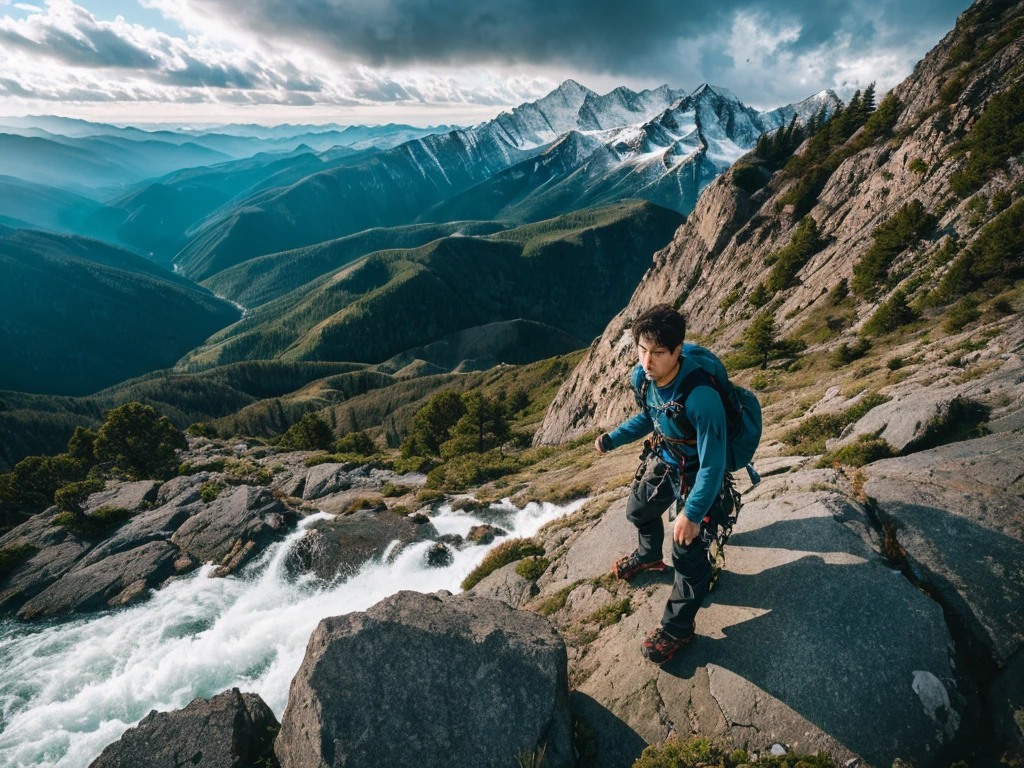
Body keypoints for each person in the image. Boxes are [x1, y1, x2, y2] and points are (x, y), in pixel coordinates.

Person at [594, 304, 727, 664]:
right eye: (641, 350)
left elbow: (714, 462)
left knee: (686, 550)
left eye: (657, 353)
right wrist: (613, 439)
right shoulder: (645, 379)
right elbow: (649, 417)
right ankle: (650, 556)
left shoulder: (701, 398)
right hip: (668, 460)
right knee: (638, 510)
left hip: (699, 474)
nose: (647, 361)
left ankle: (678, 627)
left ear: (677, 351)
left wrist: (693, 513)